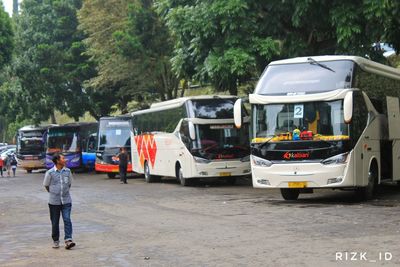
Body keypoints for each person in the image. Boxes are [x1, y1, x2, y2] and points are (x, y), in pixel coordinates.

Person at [43, 153, 76, 249]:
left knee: (67, 219)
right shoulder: (50, 173)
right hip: (54, 202)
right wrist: (54, 193)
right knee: (55, 222)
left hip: (66, 201)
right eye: (63, 158)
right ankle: (56, 240)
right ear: (58, 161)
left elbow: (69, 184)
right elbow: (46, 185)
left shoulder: (68, 171)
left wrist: (64, 192)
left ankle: (68, 240)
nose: (65, 160)